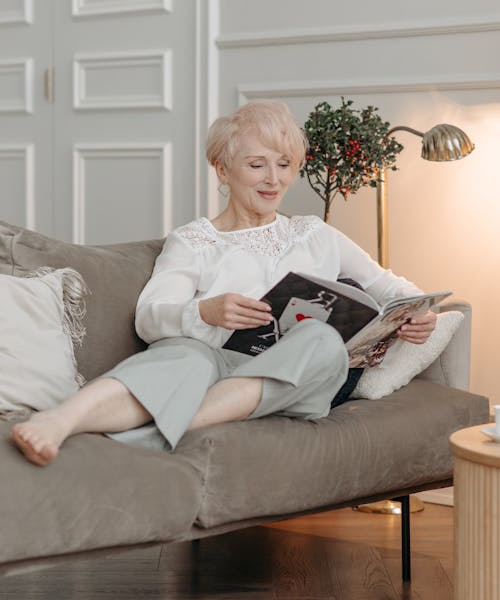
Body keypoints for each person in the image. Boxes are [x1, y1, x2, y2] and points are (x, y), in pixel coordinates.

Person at [10, 101, 436, 467]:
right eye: (257, 164)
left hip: (297, 376)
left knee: (321, 340)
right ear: (222, 168)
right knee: (184, 355)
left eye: (284, 164)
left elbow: (391, 287)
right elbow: (149, 318)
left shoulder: (316, 234)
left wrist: (419, 315)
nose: (273, 179)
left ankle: (159, 429)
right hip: (217, 364)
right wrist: (204, 311)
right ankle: (58, 420)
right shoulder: (195, 241)